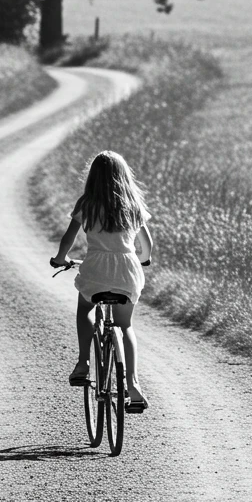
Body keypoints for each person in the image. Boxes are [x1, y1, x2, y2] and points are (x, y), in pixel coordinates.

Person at [49, 150, 153, 412]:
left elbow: (68, 239)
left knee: (85, 309)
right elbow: (147, 246)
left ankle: (83, 363)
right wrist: (141, 260)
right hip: (128, 271)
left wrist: (61, 258)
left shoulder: (87, 204)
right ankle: (133, 385)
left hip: (95, 268)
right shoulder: (132, 204)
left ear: (92, 177)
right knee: (125, 325)